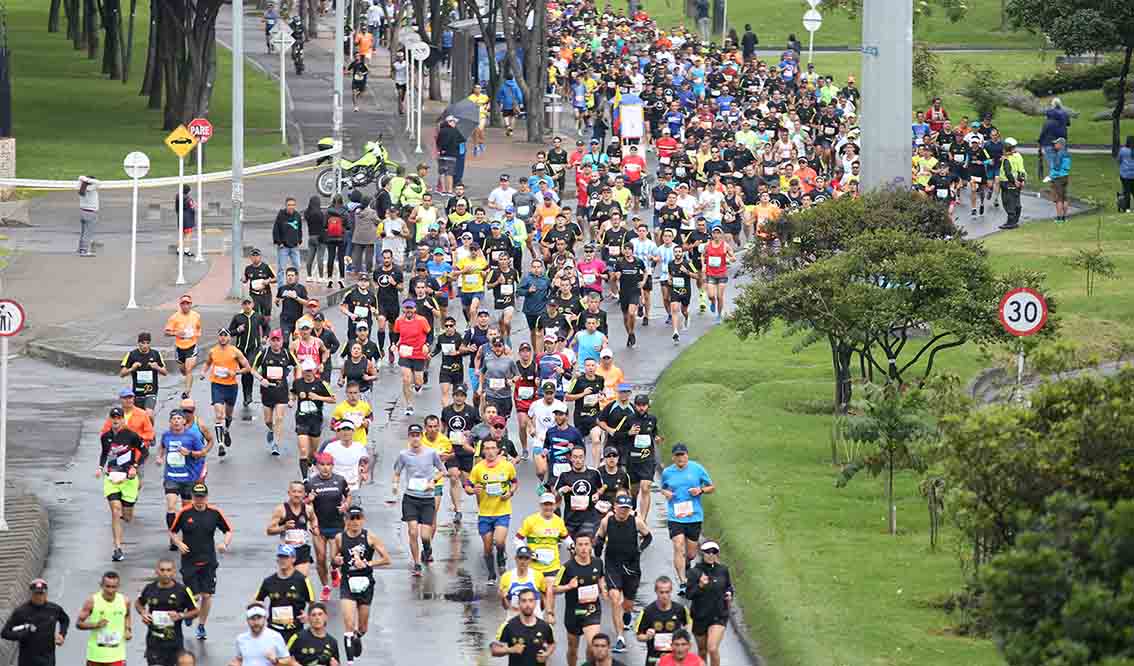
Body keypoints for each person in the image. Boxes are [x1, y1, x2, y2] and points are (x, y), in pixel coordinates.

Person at [169, 482, 233, 640]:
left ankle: (202, 626)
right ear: (192, 497)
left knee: (207, 595)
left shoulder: (214, 513)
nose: (199, 500)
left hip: (208, 560)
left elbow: (228, 530)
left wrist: (224, 543)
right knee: (194, 596)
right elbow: (173, 532)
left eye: (202, 497)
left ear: (207, 497)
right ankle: (190, 612)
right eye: (196, 497)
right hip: (189, 560)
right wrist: (178, 543)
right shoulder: (184, 513)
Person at [330, 505, 391, 661]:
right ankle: (350, 661)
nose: (355, 522)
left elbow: (386, 559)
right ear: (346, 520)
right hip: (347, 582)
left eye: (358, 519)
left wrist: (368, 564)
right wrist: (336, 561)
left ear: (363, 520)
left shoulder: (370, 536)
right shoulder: (339, 538)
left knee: (362, 628)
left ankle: (357, 636)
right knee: (349, 624)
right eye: (352, 519)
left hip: (366, 583)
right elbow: (333, 562)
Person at [596, 494, 652, 651]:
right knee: (615, 598)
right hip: (612, 565)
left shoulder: (636, 521)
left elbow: (648, 537)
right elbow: (599, 537)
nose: (623, 512)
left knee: (627, 604)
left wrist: (640, 549)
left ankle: (627, 614)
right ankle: (620, 638)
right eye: (621, 508)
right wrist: (597, 550)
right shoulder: (607, 521)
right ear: (615, 508)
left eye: (626, 509)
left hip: (631, 567)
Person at [390, 423, 447, 575]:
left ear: (421, 437)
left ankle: (427, 549)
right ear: (409, 437)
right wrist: (395, 485)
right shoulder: (403, 455)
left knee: (425, 535)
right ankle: (416, 563)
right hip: (410, 498)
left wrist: (433, 482)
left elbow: (443, 470)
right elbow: (396, 472)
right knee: (413, 531)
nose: (415, 438)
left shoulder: (431, 453)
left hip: (427, 498)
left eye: (417, 435)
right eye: (412, 435)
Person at [659, 443, 714, 596]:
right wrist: (666, 493)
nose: (680, 458)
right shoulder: (668, 472)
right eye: (677, 455)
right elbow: (663, 487)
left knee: (691, 554)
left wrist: (700, 490)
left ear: (687, 455)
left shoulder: (697, 469)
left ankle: (687, 564)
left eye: (682, 455)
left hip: (693, 516)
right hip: (675, 516)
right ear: (673, 457)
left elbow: (711, 487)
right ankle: (683, 581)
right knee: (678, 546)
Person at [466, 437, 519, 580]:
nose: (490, 451)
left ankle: (501, 556)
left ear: (498, 450)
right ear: (483, 451)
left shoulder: (507, 466)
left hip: (502, 511)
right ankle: (491, 574)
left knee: (500, 541)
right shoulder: (478, 469)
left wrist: (510, 493)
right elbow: (467, 486)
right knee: (488, 547)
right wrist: (473, 490)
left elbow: (514, 482)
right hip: (485, 513)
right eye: (487, 448)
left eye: (492, 448)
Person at [99, 407, 146, 562]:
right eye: (113, 417)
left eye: (118, 417)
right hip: (111, 478)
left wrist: (135, 467)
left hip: (128, 480)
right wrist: (100, 468)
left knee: (127, 517)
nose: (116, 420)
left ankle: (126, 510)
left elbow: (144, 452)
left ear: (123, 420)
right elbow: (104, 453)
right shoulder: (105, 437)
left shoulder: (131, 435)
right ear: (110, 419)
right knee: (115, 511)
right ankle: (117, 548)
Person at [554, 531, 607, 666]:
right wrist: (568, 586)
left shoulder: (598, 563)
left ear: (591, 546)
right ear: (575, 547)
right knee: (573, 649)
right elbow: (554, 588)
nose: (583, 548)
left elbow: (601, 578)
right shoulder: (567, 567)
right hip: (574, 613)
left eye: (586, 544)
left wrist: (604, 590)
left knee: (592, 646)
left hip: (592, 610)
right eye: (580, 545)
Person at [305, 452, 351, 602]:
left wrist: (345, 505)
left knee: (334, 558)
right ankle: (325, 586)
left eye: (328, 465)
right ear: (317, 466)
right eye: (322, 465)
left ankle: (333, 570)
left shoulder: (340, 480)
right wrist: (309, 501)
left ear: (332, 466)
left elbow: (348, 495)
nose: (325, 468)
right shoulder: (311, 483)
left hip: (337, 524)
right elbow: (305, 504)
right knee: (320, 558)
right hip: (319, 526)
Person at [200, 329, 253, 457]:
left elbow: (248, 368)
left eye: (225, 336)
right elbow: (207, 363)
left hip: (231, 386)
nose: (223, 338)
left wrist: (236, 372)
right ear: (218, 337)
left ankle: (226, 430)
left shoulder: (235, 351)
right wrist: (203, 372)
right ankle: (221, 445)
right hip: (217, 385)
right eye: (221, 336)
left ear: (229, 338)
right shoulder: (213, 351)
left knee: (228, 415)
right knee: (219, 414)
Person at [136, 559, 199, 666]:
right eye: (162, 570)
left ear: (174, 572)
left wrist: (181, 615)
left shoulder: (182, 590)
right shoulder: (149, 588)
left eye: (169, 570)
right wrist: (143, 613)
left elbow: (196, 611)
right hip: (154, 643)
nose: (165, 574)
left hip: (174, 643)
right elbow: (138, 603)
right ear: (157, 571)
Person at [255, 545, 316, 646]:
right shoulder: (269, 581)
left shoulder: (302, 580)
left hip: (295, 630)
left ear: (293, 559)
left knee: (292, 659)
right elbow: (257, 600)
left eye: (286, 557)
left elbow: (312, 603)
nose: (283, 560)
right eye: (280, 557)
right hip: (273, 630)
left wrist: (308, 616)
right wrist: (261, 614)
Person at [1, 579, 69, 666]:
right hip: (27, 660)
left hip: (48, 659)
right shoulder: (21, 611)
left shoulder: (54, 609)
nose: (39, 596)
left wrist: (62, 634)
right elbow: (5, 633)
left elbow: (65, 620)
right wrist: (22, 635)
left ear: (46, 593)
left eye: (41, 593)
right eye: (36, 593)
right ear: (31, 593)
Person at [686, 541, 733, 666]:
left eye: (714, 552)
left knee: (712, 648)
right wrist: (700, 586)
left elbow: (728, 586)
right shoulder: (694, 572)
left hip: (718, 615)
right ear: (702, 554)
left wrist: (729, 594)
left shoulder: (723, 570)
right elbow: (689, 595)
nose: (711, 555)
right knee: (702, 651)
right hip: (700, 616)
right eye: (708, 552)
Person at [76, 571, 132, 666]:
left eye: (113, 587)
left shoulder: (125, 601)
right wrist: (95, 625)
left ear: (118, 586)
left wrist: (127, 629)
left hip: (117, 655)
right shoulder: (92, 601)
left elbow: (127, 615)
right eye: (107, 586)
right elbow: (79, 623)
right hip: (96, 655)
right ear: (101, 585)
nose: (110, 590)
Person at [635, 576, 692, 666]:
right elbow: (639, 636)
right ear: (656, 591)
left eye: (667, 592)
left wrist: (684, 635)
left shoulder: (680, 609)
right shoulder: (647, 612)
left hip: (675, 658)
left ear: (671, 591)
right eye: (661, 592)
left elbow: (688, 624)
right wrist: (647, 636)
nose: (664, 596)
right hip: (654, 659)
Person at [266, 481, 319, 577]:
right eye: (294, 491)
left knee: (300, 579)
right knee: (287, 580)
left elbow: (313, 519)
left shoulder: (308, 509)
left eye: (299, 492)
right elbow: (269, 530)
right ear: (289, 493)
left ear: (304, 494)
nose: (296, 495)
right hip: (286, 550)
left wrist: (315, 528)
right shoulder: (281, 509)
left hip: (302, 549)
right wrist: (284, 527)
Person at [491, 589, 556, 666]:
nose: (528, 604)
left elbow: (552, 643)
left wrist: (546, 654)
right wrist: (510, 650)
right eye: (524, 601)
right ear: (518, 603)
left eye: (531, 600)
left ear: (535, 603)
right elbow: (494, 649)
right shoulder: (508, 626)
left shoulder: (545, 626)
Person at [394, 298, 432, 416]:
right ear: (403, 309)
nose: (409, 310)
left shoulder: (422, 320)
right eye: (406, 308)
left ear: (415, 309)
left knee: (418, 381)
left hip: (418, 353)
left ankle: (420, 382)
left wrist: (427, 345)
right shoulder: (399, 321)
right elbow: (395, 334)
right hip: (405, 352)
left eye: (411, 308)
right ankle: (409, 405)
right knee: (406, 379)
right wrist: (393, 345)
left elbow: (430, 334)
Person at [120, 332, 168, 416]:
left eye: (147, 343)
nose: (145, 346)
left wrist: (157, 367)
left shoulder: (156, 354)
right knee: (139, 417)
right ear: (138, 343)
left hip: (151, 391)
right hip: (137, 392)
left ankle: (149, 429)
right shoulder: (131, 354)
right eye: (143, 343)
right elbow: (122, 374)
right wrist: (132, 368)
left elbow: (165, 372)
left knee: (149, 414)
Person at [164, 294, 202, 394]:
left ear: (191, 304)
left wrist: (196, 334)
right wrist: (176, 333)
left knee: (189, 369)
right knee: (183, 370)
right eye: (183, 303)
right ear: (180, 305)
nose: (185, 306)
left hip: (192, 345)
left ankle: (187, 392)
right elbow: (166, 332)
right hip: (179, 347)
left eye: (187, 303)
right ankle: (187, 378)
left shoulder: (196, 316)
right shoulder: (174, 317)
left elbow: (198, 327)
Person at [498, 546, 550, 618]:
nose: (523, 561)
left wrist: (548, 613)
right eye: (520, 558)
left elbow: (544, 597)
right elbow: (506, 606)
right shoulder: (506, 577)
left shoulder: (538, 576)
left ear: (530, 560)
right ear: (515, 559)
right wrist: (503, 598)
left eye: (526, 558)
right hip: (514, 620)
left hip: (535, 621)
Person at [997, 137, 1027, 231]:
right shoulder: (1018, 156)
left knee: (1008, 202)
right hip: (1018, 181)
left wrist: (1014, 182)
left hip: (1008, 182)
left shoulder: (1007, 159)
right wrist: (1022, 181)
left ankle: (1011, 223)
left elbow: (1008, 172)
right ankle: (1015, 221)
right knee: (1016, 201)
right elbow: (1021, 169)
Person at [437, 115, 465, 195]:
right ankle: (449, 190)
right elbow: (462, 139)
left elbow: (438, 141)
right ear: (450, 122)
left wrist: (441, 149)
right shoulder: (455, 131)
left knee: (442, 172)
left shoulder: (441, 130)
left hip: (442, 154)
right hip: (451, 155)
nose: (455, 123)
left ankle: (443, 190)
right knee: (450, 173)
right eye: (454, 122)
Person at [1047, 137, 1072, 224]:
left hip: (1058, 178)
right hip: (1065, 177)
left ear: (1061, 145)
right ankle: (1064, 217)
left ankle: (1059, 218)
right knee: (1065, 198)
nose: (1054, 145)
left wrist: (1051, 176)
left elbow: (1056, 167)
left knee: (1058, 199)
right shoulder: (1067, 154)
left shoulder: (1059, 154)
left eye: (1056, 144)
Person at [77, 174, 99, 256]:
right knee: (88, 233)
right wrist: (87, 179)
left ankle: (81, 248)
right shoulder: (91, 188)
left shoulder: (81, 188)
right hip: (91, 213)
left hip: (82, 212)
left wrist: (83, 179)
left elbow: (80, 178)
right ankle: (84, 250)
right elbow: (98, 182)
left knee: (83, 232)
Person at [1118, 135, 1134, 213]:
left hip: (1125, 175)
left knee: (1127, 191)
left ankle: (1127, 208)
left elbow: (1119, 160)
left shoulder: (1123, 150)